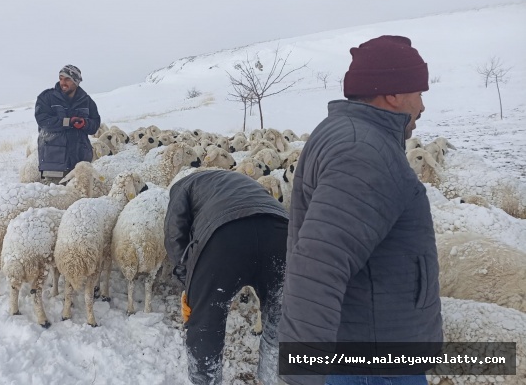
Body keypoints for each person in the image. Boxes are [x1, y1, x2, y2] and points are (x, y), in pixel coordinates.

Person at [278, 35, 442, 385]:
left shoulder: (351, 135)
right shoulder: (363, 151)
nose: (423, 106)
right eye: (419, 93)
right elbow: (319, 264)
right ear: (394, 94)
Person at [164, 170, 289, 385]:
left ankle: (206, 380)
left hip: (224, 238)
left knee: (206, 323)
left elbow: (175, 234)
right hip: (280, 233)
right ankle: (273, 378)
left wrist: (189, 283)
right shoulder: (244, 182)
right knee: (280, 318)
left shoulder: (182, 186)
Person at [35, 64, 101, 183]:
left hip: (80, 162)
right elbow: (43, 120)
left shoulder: (87, 101)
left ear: (76, 81)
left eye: (67, 79)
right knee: (57, 198)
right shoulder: (47, 98)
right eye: (61, 78)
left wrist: (84, 124)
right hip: (54, 162)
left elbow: (95, 125)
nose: (63, 82)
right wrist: (68, 122)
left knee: (80, 198)